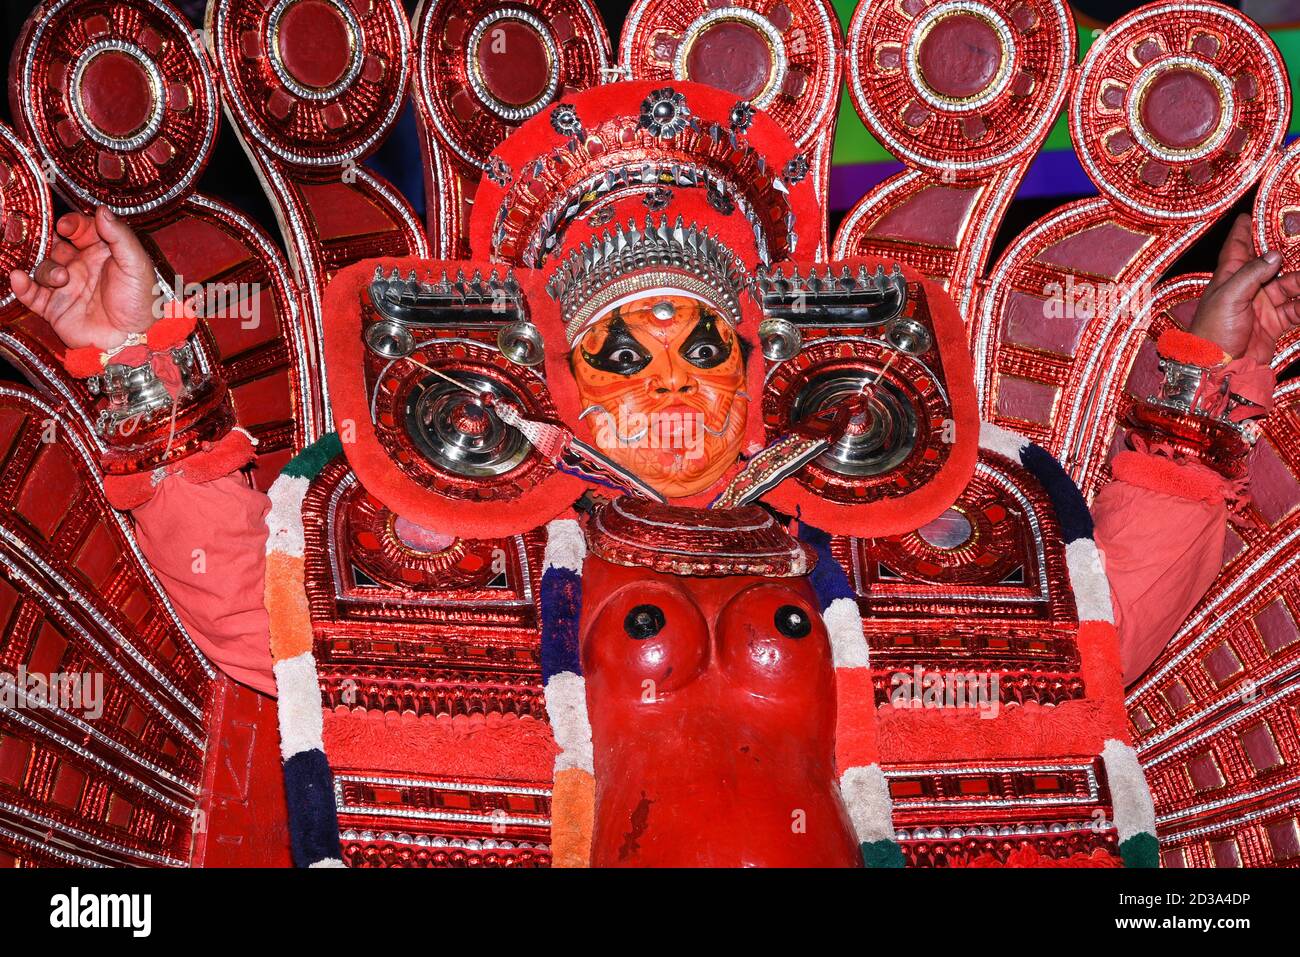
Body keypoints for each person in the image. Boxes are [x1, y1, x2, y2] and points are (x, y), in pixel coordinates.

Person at [8, 206, 1298, 698]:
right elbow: (262, 633)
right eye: (622, 352)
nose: (672, 383)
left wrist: (1215, 358)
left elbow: (1094, 644)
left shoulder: (876, 520)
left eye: (706, 348)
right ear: (555, 373)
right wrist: (132, 357)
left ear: (765, 366)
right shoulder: (478, 531)